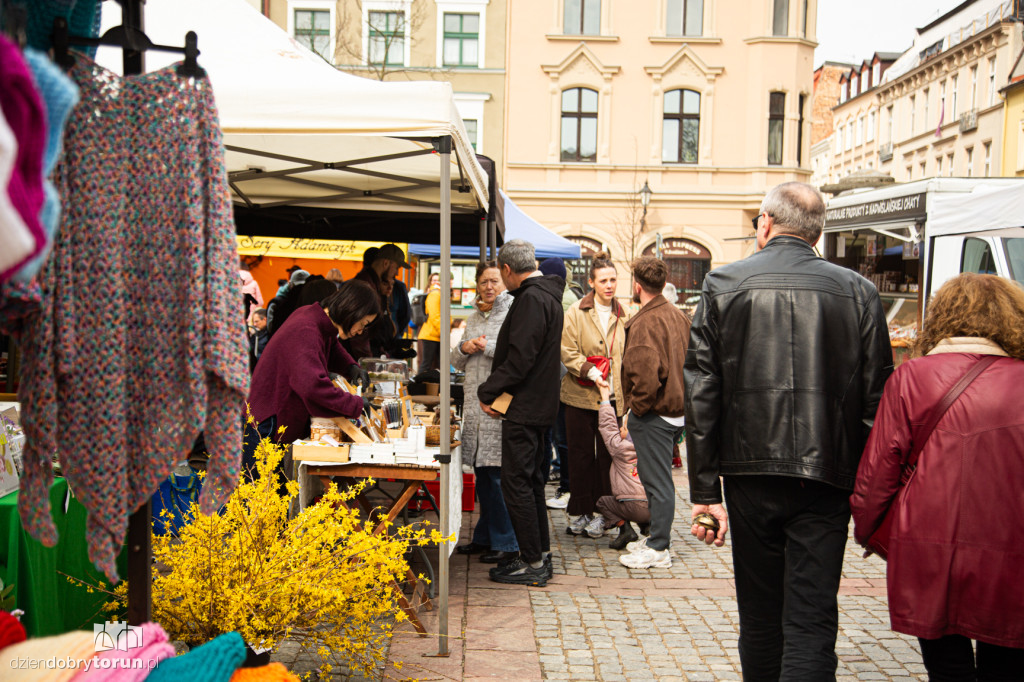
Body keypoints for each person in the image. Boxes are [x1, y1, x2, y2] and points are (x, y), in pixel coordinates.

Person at [683, 181, 893, 679]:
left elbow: (702, 392)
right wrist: (863, 488)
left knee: (760, 615)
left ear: (766, 223)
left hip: (751, 474)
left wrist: (705, 491)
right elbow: (876, 399)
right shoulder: (858, 291)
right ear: (816, 233)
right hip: (828, 477)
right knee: (811, 617)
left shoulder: (723, 284)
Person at [850, 273, 1024, 679]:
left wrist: (867, 528)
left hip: (929, 546)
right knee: (1009, 662)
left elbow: (877, 472)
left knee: (947, 668)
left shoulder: (913, 376)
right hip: (1012, 549)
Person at [477, 239, 564, 587]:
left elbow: (520, 358)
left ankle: (533, 560)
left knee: (518, 484)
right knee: (529, 483)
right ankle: (537, 554)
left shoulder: (531, 298)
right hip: (538, 406)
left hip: (526, 409)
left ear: (508, 270)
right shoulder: (548, 296)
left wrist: (489, 389)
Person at [244, 280, 378, 483]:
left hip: (273, 416)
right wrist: (355, 405)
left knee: (272, 495)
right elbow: (313, 388)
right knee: (257, 498)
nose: (361, 331)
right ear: (353, 311)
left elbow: (331, 345)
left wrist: (351, 367)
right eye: (364, 324)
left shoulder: (314, 318)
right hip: (268, 421)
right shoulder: (305, 328)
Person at [617, 256, 690, 570]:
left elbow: (646, 377)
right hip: (673, 410)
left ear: (636, 285)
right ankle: (657, 540)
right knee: (657, 479)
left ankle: (659, 546)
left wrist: (634, 410)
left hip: (656, 413)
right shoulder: (678, 315)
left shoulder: (647, 321)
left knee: (657, 481)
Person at [558, 252, 630, 539]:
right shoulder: (576, 311)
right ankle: (580, 510)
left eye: (613, 279)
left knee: (609, 460)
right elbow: (567, 351)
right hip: (579, 396)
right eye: (603, 280)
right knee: (580, 456)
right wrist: (590, 371)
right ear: (591, 282)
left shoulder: (624, 314)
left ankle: (605, 513)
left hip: (612, 401)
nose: (609, 285)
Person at [452, 261, 519, 564]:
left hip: (497, 404)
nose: (489, 287)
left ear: (504, 282)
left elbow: (516, 354)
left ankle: (506, 542)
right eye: (483, 282)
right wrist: (465, 347)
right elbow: (457, 360)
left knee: (495, 476)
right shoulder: (473, 316)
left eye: (494, 281)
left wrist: (486, 346)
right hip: (473, 403)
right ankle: (484, 536)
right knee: (482, 475)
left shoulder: (513, 313)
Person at [538, 257, 578, 503]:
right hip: (562, 376)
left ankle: (566, 488)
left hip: (559, 377)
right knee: (559, 437)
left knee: (559, 437)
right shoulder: (568, 297)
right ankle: (566, 486)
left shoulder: (560, 299)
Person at [594, 376, 649, 550]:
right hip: (654, 506)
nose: (620, 429)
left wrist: (604, 399)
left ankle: (625, 530)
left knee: (603, 502)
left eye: (624, 427)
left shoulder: (620, 448)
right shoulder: (652, 447)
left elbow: (608, 426)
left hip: (632, 505)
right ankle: (648, 526)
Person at [350, 244, 410, 359]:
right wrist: (368, 363)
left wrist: (391, 347)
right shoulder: (366, 285)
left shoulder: (373, 284)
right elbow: (359, 334)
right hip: (361, 358)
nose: (397, 273)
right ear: (386, 263)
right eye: (396, 267)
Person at [266, 268, 309, 336]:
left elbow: (270, 328)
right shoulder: (277, 303)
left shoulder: (277, 302)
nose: (300, 288)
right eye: (298, 286)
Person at [417, 272, 443, 371]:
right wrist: (443, 332)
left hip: (435, 335)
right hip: (432, 335)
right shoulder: (435, 294)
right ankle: (418, 385)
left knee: (437, 364)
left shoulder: (439, 293)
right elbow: (434, 315)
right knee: (426, 365)